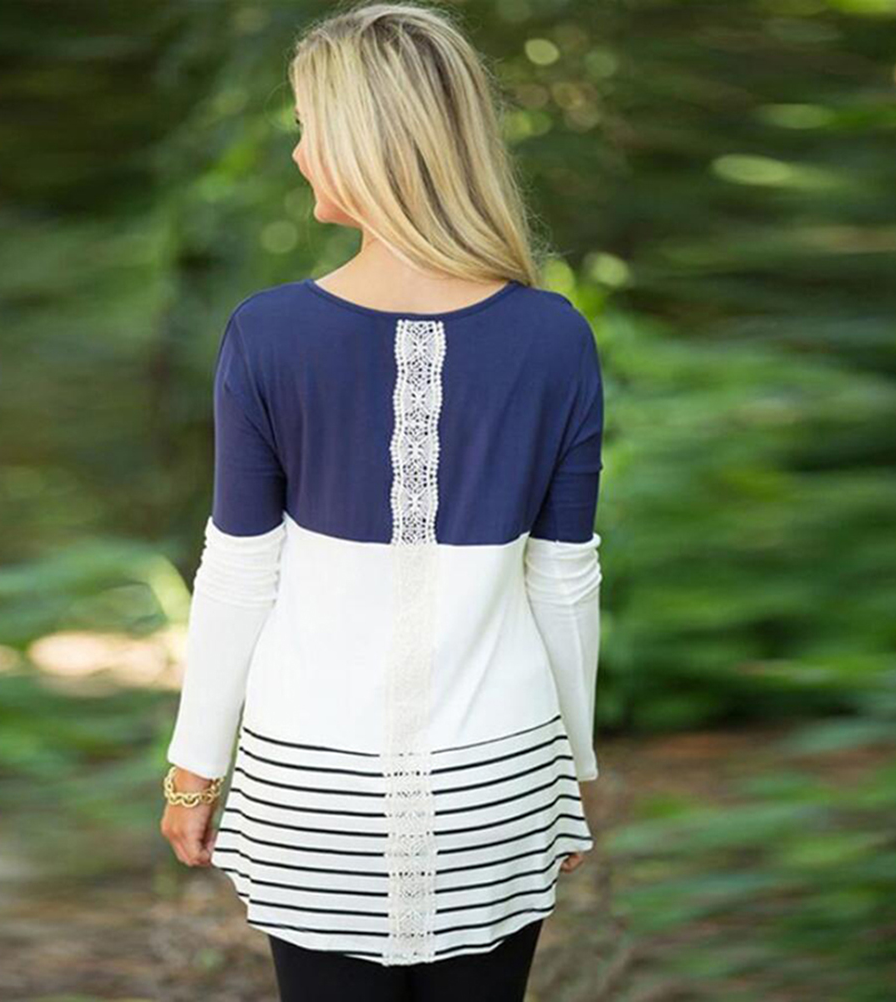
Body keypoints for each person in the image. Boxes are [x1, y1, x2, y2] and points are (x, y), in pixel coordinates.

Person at [159, 4, 605, 1000]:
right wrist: (570, 771)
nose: (299, 151)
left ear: (366, 143)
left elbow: (240, 572)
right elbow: (563, 579)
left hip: (311, 793)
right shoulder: (555, 337)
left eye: (309, 125)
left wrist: (194, 773)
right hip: (500, 787)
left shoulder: (269, 334)